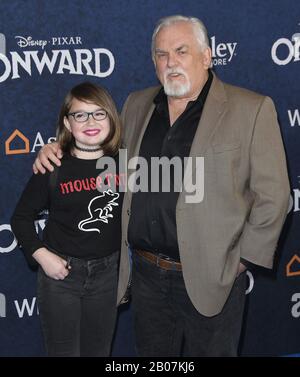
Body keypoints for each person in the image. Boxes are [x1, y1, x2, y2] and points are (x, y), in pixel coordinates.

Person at [33, 15, 290, 357]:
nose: (171, 62)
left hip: (213, 278)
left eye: (181, 51)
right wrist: (58, 149)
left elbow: (274, 196)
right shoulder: (137, 104)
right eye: (161, 54)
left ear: (207, 56)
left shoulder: (252, 109)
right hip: (146, 277)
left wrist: (241, 261)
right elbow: (100, 155)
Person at [11, 82, 123, 357]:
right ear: (67, 122)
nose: (90, 121)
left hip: (108, 276)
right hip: (61, 277)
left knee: (99, 352)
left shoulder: (129, 163)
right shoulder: (53, 166)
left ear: (111, 117)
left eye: (99, 113)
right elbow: (21, 218)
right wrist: (42, 255)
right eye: (80, 115)